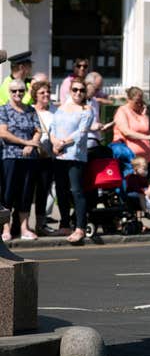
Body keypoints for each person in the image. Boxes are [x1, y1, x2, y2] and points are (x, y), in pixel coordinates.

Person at [49, 77, 94, 244]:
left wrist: (61, 143)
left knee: (76, 190)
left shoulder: (86, 110)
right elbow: (52, 128)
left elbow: (81, 133)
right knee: (61, 191)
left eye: (81, 90)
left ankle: (80, 227)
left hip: (75, 155)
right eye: (75, 90)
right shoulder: (60, 108)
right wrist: (54, 142)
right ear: (70, 91)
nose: (78, 93)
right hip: (59, 155)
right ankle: (65, 223)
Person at [0, 79, 41, 242]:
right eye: (14, 91)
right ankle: (6, 227)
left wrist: (32, 145)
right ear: (9, 92)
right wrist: (26, 142)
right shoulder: (4, 110)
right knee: (8, 193)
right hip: (9, 156)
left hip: (29, 157)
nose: (18, 94)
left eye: (21, 91)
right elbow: (3, 133)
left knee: (26, 192)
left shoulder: (30, 110)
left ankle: (24, 227)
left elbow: (38, 130)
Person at [31, 80, 59, 235]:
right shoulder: (30, 111)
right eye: (42, 92)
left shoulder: (55, 111)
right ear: (35, 95)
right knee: (27, 193)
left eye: (48, 92)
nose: (46, 95)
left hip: (49, 157)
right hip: (32, 157)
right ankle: (20, 225)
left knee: (43, 192)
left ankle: (40, 225)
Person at [113, 86, 150, 164]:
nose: (139, 104)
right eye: (136, 102)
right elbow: (127, 132)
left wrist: (144, 114)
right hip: (130, 160)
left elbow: (148, 130)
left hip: (146, 160)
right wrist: (148, 137)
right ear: (129, 100)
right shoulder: (122, 111)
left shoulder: (142, 112)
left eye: (141, 101)